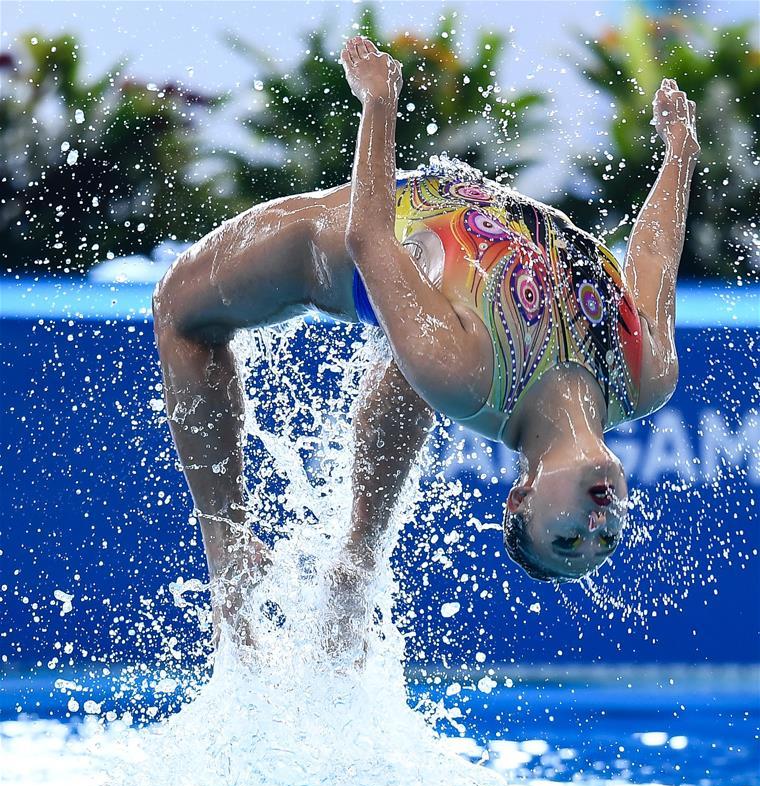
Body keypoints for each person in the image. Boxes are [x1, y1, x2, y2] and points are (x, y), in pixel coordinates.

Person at [152, 37, 700, 645]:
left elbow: (371, 238)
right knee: (422, 362)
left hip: (346, 238)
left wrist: (379, 103)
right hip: (457, 218)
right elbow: (652, 253)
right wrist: (680, 154)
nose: (597, 525)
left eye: (567, 537)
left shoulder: (466, 376)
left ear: (520, 498)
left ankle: (228, 543)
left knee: (178, 308)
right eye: (606, 538)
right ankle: (358, 562)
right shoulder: (646, 374)